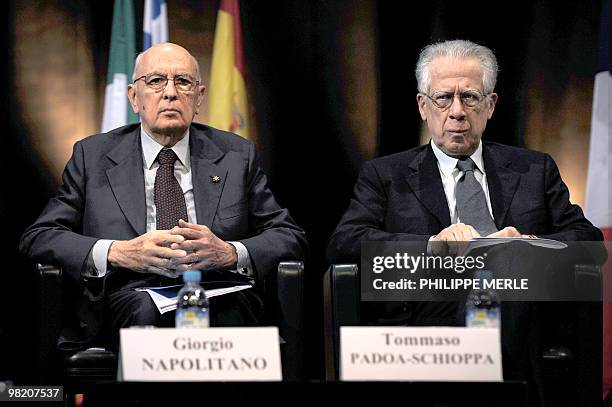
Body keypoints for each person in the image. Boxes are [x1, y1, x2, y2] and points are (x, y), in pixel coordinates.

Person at [326, 40, 603, 406]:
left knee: (502, 275)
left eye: (470, 97)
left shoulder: (535, 169)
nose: (457, 111)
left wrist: (526, 244)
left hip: (519, 310)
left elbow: (589, 240)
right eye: (443, 98)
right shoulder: (385, 175)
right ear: (423, 106)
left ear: (490, 105)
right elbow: (345, 241)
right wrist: (432, 246)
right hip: (428, 305)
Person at [20, 43, 307, 349]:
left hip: (217, 290)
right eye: (156, 81)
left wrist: (230, 252)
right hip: (130, 294)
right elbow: (40, 236)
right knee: (145, 314)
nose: (170, 93)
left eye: (183, 82)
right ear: (134, 96)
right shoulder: (92, 157)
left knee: (226, 313)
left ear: (198, 97)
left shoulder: (236, 155)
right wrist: (118, 251)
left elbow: (289, 235)